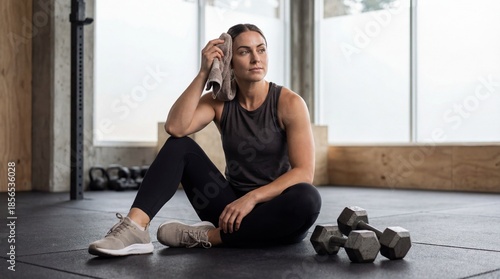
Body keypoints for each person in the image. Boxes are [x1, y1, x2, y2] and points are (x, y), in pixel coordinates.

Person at [88, 23, 322, 256]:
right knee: (180, 145)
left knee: (308, 197)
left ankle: (210, 236)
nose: (255, 58)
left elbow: (304, 172)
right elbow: (176, 127)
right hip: (228, 211)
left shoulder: (289, 102)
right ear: (228, 60)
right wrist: (203, 73)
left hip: (277, 211)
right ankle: (135, 228)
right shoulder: (219, 101)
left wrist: (252, 198)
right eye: (244, 52)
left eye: (261, 49)